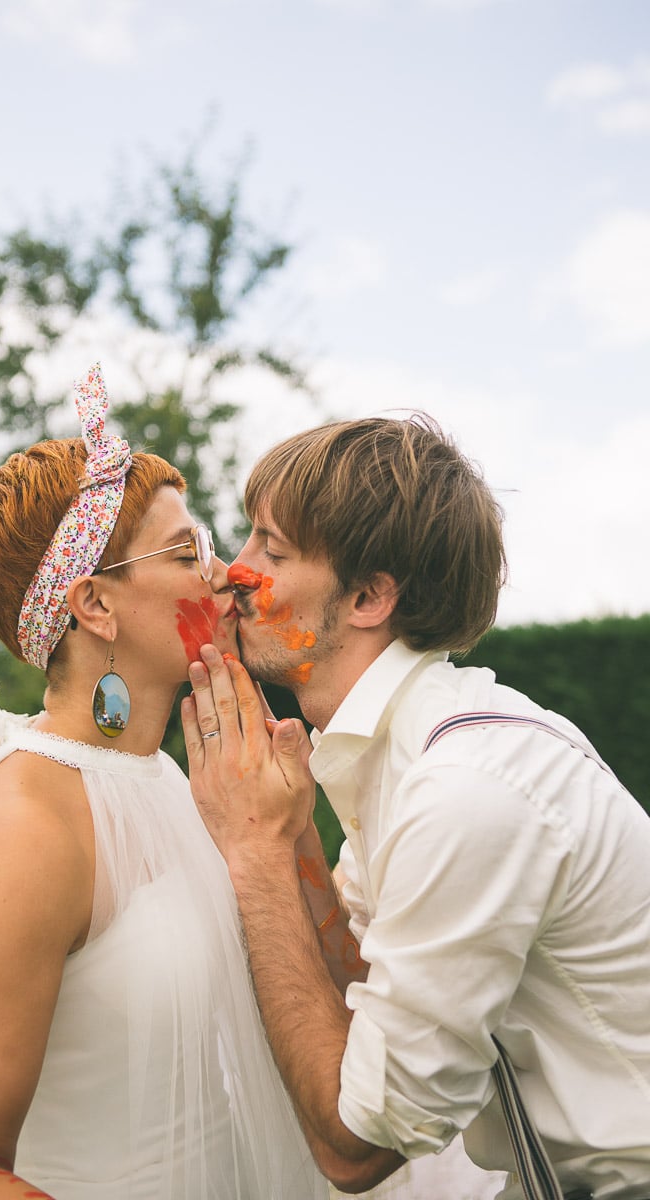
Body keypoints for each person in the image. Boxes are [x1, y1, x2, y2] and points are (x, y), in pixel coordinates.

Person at [181, 415, 650, 1200]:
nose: (233, 572)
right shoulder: (403, 757)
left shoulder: (465, 789)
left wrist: (254, 848)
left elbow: (359, 1145)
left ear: (368, 596)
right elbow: (368, 1009)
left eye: (272, 548)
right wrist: (290, 834)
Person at [0, 364, 325, 1200]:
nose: (228, 571)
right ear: (94, 607)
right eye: (189, 548)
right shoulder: (25, 826)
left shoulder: (174, 776)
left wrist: (291, 830)